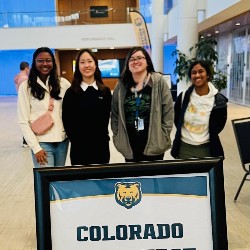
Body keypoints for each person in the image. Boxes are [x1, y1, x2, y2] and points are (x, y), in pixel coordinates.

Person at [111, 46, 174, 162]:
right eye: (132, 59)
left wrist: (163, 136)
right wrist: (117, 137)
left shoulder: (158, 81)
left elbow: (168, 111)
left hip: (154, 142)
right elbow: (115, 114)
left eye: (139, 58)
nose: (135, 61)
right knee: (135, 179)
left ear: (147, 62)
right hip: (129, 144)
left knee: (154, 178)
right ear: (127, 63)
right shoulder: (121, 86)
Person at [17, 47, 71, 167]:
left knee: (58, 182)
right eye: (40, 60)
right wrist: (36, 148)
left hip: (62, 142)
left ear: (53, 62)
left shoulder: (64, 84)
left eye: (48, 60)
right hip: (41, 143)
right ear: (34, 63)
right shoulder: (26, 86)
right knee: (45, 182)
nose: (45, 64)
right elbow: (23, 121)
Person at [62, 49, 112, 165]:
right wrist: (76, 140)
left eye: (89, 61)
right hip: (79, 149)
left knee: (102, 181)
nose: (86, 65)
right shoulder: (71, 93)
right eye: (82, 62)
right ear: (78, 66)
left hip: (101, 147)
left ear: (95, 64)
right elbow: (67, 120)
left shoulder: (105, 92)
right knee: (81, 182)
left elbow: (106, 119)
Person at [171, 60, 228, 159]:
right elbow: (177, 119)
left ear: (208, 75)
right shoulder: (184, 96)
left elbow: (219, 125)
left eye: (201, 71)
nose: (197, 75)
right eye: (193, 73)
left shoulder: (218, 100)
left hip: (206, 148)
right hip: (184, 148)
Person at [14, 61, 30, 147]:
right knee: (27, 121)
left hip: (20, 100)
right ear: (26, 68)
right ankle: (26, 141)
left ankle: (25, 141)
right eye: (29, 68)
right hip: (26, 100)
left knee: (25, 120)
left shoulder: (17, 77)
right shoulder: (25, 79)